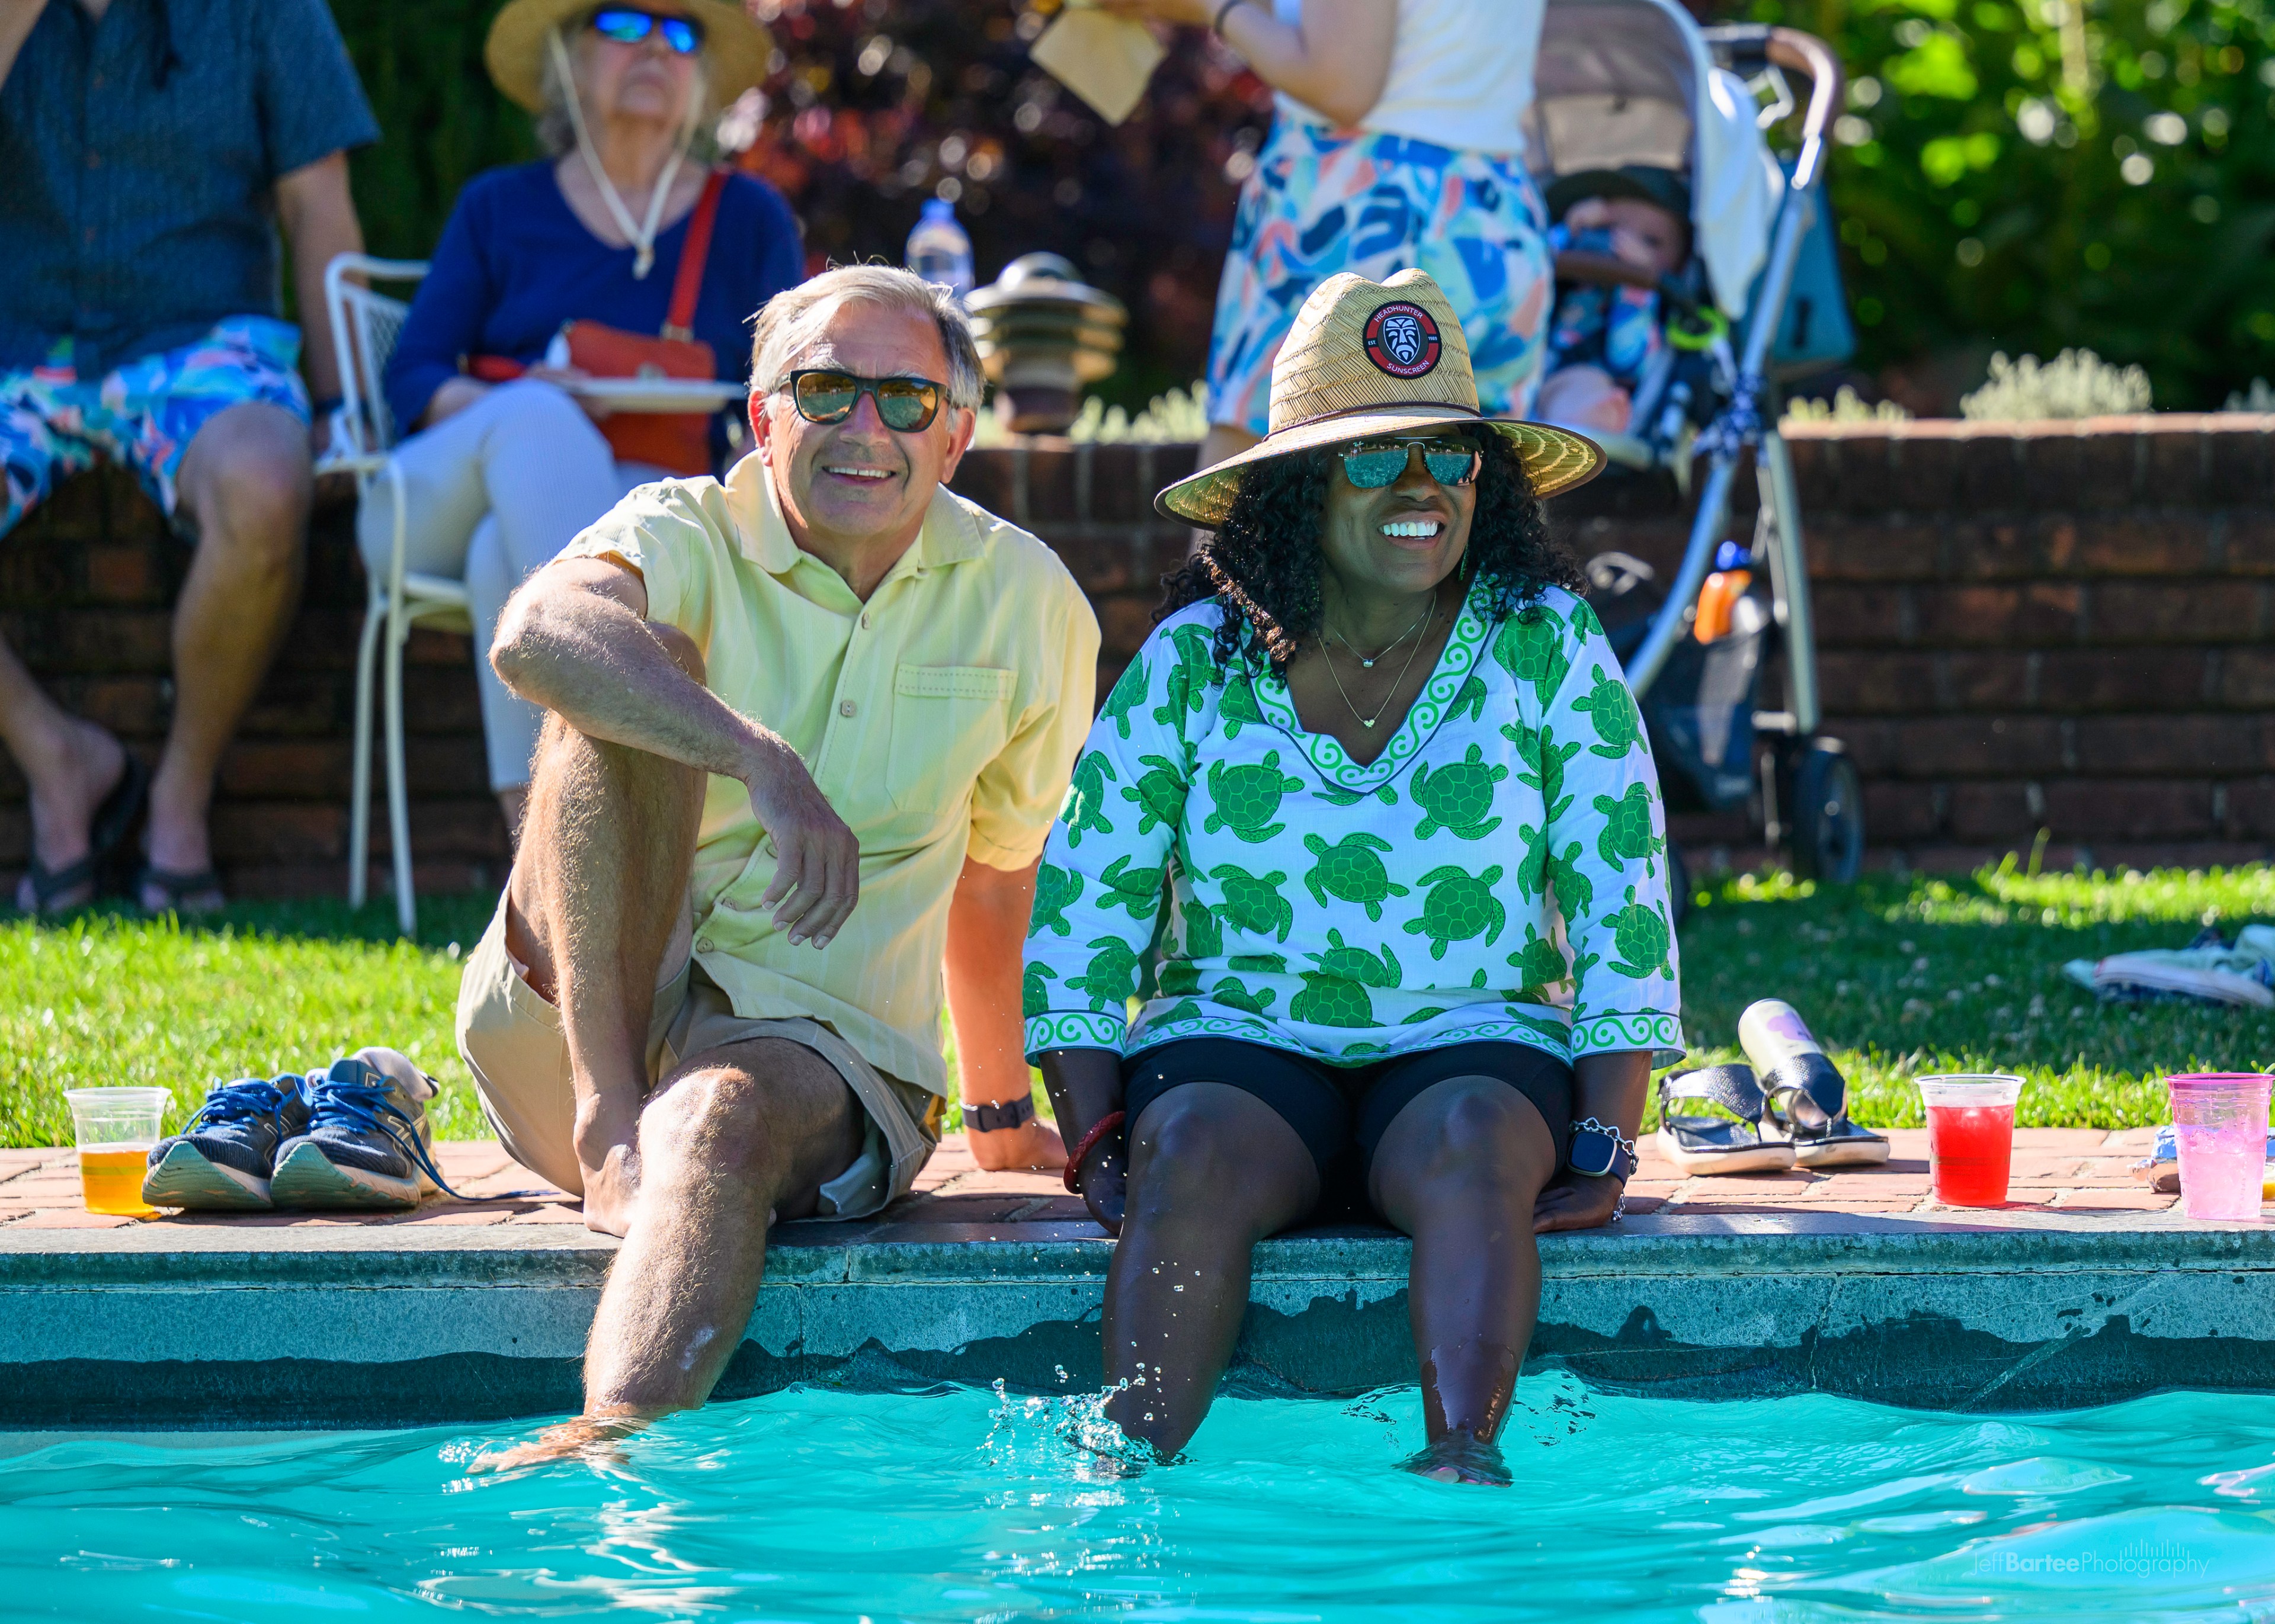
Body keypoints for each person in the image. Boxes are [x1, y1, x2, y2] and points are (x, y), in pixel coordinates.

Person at [1026, 270, 1683, 1483]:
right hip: (1237, 1040)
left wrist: (1604, 1138)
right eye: (1374, 457)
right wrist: (1093, 1132)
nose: (1423, 486)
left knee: (1481, 1133)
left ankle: (1461, 1481)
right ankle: (1119, 1496)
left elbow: (1619, 889)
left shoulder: (1545, 643)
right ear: (1296, 487)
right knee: (1198, 1151)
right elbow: (1088, 896)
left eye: (1450, 454)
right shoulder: (1195, 661)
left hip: (1471, 1043)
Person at [456, 266, 1100, 1461]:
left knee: (714, 1122)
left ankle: (613, 1454)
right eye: (827, 390)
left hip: (821, 1048)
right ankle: (608, 1131)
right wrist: (757, 757)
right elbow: (533, 632)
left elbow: (999, 874)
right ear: (765, 417)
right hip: (570, 1026)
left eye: (907, 400)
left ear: (957, 436)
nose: (867, 428)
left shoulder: (1030, 602)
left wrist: (1004, 1116)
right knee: (625, 661)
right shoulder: (684, 528)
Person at [372, 0, 802, 838]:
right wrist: (533, 400)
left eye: (681, 34)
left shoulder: (748, 217)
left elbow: (782, 395)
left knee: (510, 551)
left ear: (704, 77)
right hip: (429, 503)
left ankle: (539, 839)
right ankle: (614, 825)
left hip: (624, 497)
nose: (654, 48)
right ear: (569, 61)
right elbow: (411, 379)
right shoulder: (499, 205)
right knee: (538, 426)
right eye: (622, 23)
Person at [0, 0, 374, 914]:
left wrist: (346, 406)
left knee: (263, 483)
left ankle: (179, 797)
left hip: (201, 344)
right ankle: (59, 762)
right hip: (18, 345)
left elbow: (317, 203)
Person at [1099, 0, 1554, 485]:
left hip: (1355, 205)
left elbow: (1341, 82)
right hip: (1494, 212)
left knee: (1256, 493)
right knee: (1486, 499)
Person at [1534, 167, 1693, 437]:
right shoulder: (1573, 277)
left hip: (1597, 373)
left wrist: (1637, 283)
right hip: (1529, 359)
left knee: (1582, 386)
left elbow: (1626, 357)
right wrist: (1573, 229)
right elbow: (1532, 262)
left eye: (1651, 241)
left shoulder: (1652, 307)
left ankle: (1586, 422)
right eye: (1610, 227)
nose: (1625, 243)